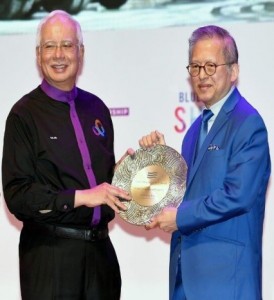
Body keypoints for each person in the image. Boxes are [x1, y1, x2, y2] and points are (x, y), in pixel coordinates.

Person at [1, 10, 131, 300]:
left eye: (67, 45)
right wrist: (82, 196)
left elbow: (103, 184)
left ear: (81, 51)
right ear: (38, 54)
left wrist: (127, 171)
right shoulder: (24, 115)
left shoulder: (97, 108)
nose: (58, 54)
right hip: (51, 258)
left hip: (101, 257)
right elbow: (18, 195)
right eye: (49, 46)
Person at [139, 25, 271, 300]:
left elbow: (238, 195)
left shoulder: (248, 124)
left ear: (233, 71)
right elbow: (187, 193)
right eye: (196, 67)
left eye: (211, 66)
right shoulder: (195, 130)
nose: (202, 75)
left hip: (226, 279)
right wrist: (161, 162)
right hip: (185, 276)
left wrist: (180, 218)